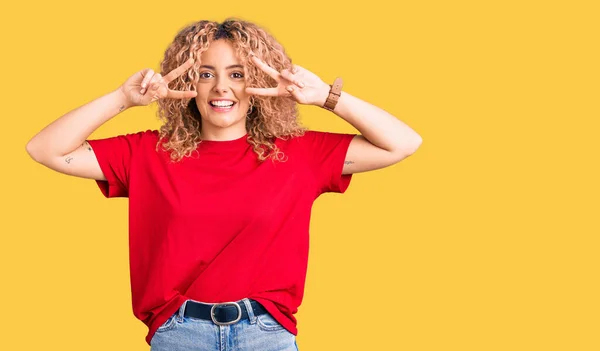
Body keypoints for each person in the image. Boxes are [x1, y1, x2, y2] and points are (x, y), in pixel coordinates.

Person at [25, 18, 422, 350]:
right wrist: (122, 99)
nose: (221, 88)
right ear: (188, 85)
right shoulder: (147, 152)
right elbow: (46, 149)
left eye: (237, 75)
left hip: (266, 336)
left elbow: (403, 143)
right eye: (205, 74)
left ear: (260, 84)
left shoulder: (299, 154)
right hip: (179, 334)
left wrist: (325, 98)